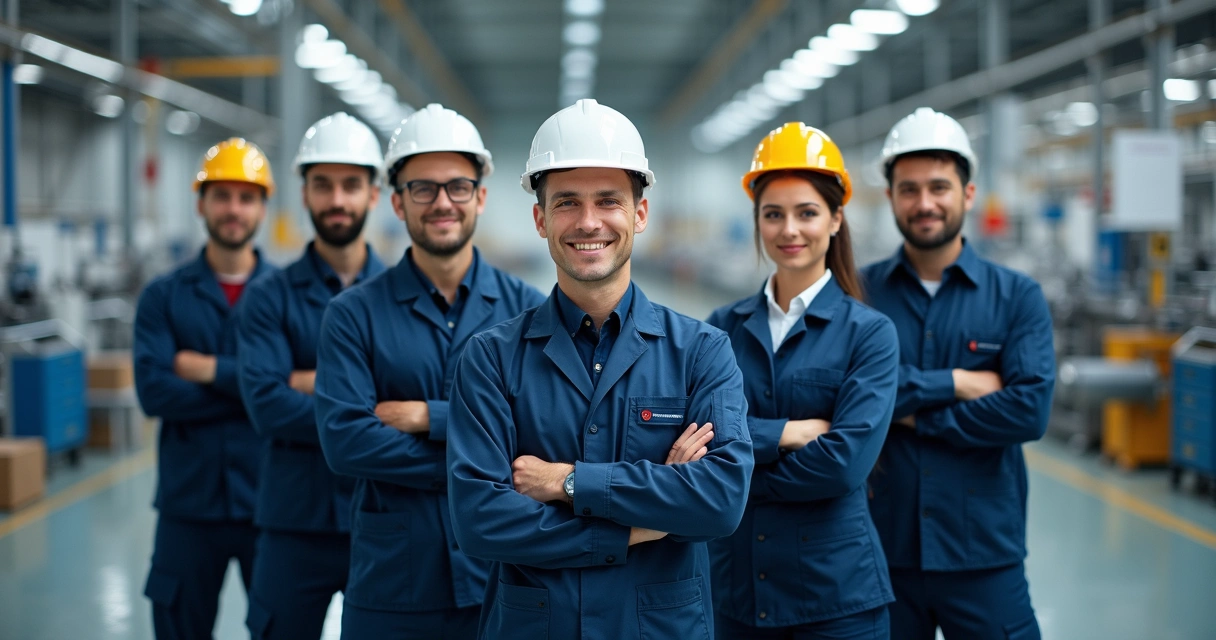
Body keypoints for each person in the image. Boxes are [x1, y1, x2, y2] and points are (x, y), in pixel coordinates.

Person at [446, 98, 755, 639]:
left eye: (608, 200)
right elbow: (480, 519)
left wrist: (565, 481)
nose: (588, 222)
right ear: (540, 218)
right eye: (566, 202)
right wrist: (646, 520)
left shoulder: (702, 351)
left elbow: (720, 501)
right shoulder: (490, 358)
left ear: (639, 213)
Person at [314, 104, 545, 639]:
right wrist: (484, 452)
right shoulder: (352, 314)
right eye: (423, 188)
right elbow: (346, 441)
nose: (442, 202)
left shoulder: (529, 314)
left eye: (458, 186)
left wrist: (426, 417)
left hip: (505, 572)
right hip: (394, 579)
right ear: (397, 202)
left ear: (480, 197)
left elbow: (542, 435)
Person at [861, 107, 1055, 640]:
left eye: (939, 187)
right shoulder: (858, 294)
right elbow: (847, 395)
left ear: (968, 194)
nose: (925, 203)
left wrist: (911, 418)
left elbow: (1028, 409)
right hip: (883, 549)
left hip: (983, 554)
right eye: (910, 189)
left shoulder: (1016, 296)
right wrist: (957, 383)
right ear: (891, 197)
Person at [706, 123, 898, 639]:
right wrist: (787, 434)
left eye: (807, 212)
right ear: (758, 222)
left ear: (836, 219)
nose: (789, 229)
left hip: (837, 603)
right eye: (773, 214)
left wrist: (736, 478)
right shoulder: (720, 329)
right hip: (737, 597)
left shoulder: (871, 334)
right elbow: (699, 439)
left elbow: (843, 465)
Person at [236, 113, 386, 639]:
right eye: (323, 185)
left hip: (382, 520)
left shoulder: (400, 297)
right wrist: (368, 405)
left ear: (374, 194)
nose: (336, 200)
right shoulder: (268, 296)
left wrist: (308, 381)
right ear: (303, 193)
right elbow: (266, 405)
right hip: (291, 524)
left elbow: (424, 395)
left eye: (351, 185)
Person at [133, 138, 277, 639]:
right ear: (201, 203)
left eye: (246, 197)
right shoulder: (162, 297)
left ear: (262, 206)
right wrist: (257, 389)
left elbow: (306, 394)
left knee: (278, 627)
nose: (233, 209)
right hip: (187, 506)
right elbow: (154, 393)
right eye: (222, 196)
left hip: (270, 503)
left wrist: (208, 371)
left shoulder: (289, 296)